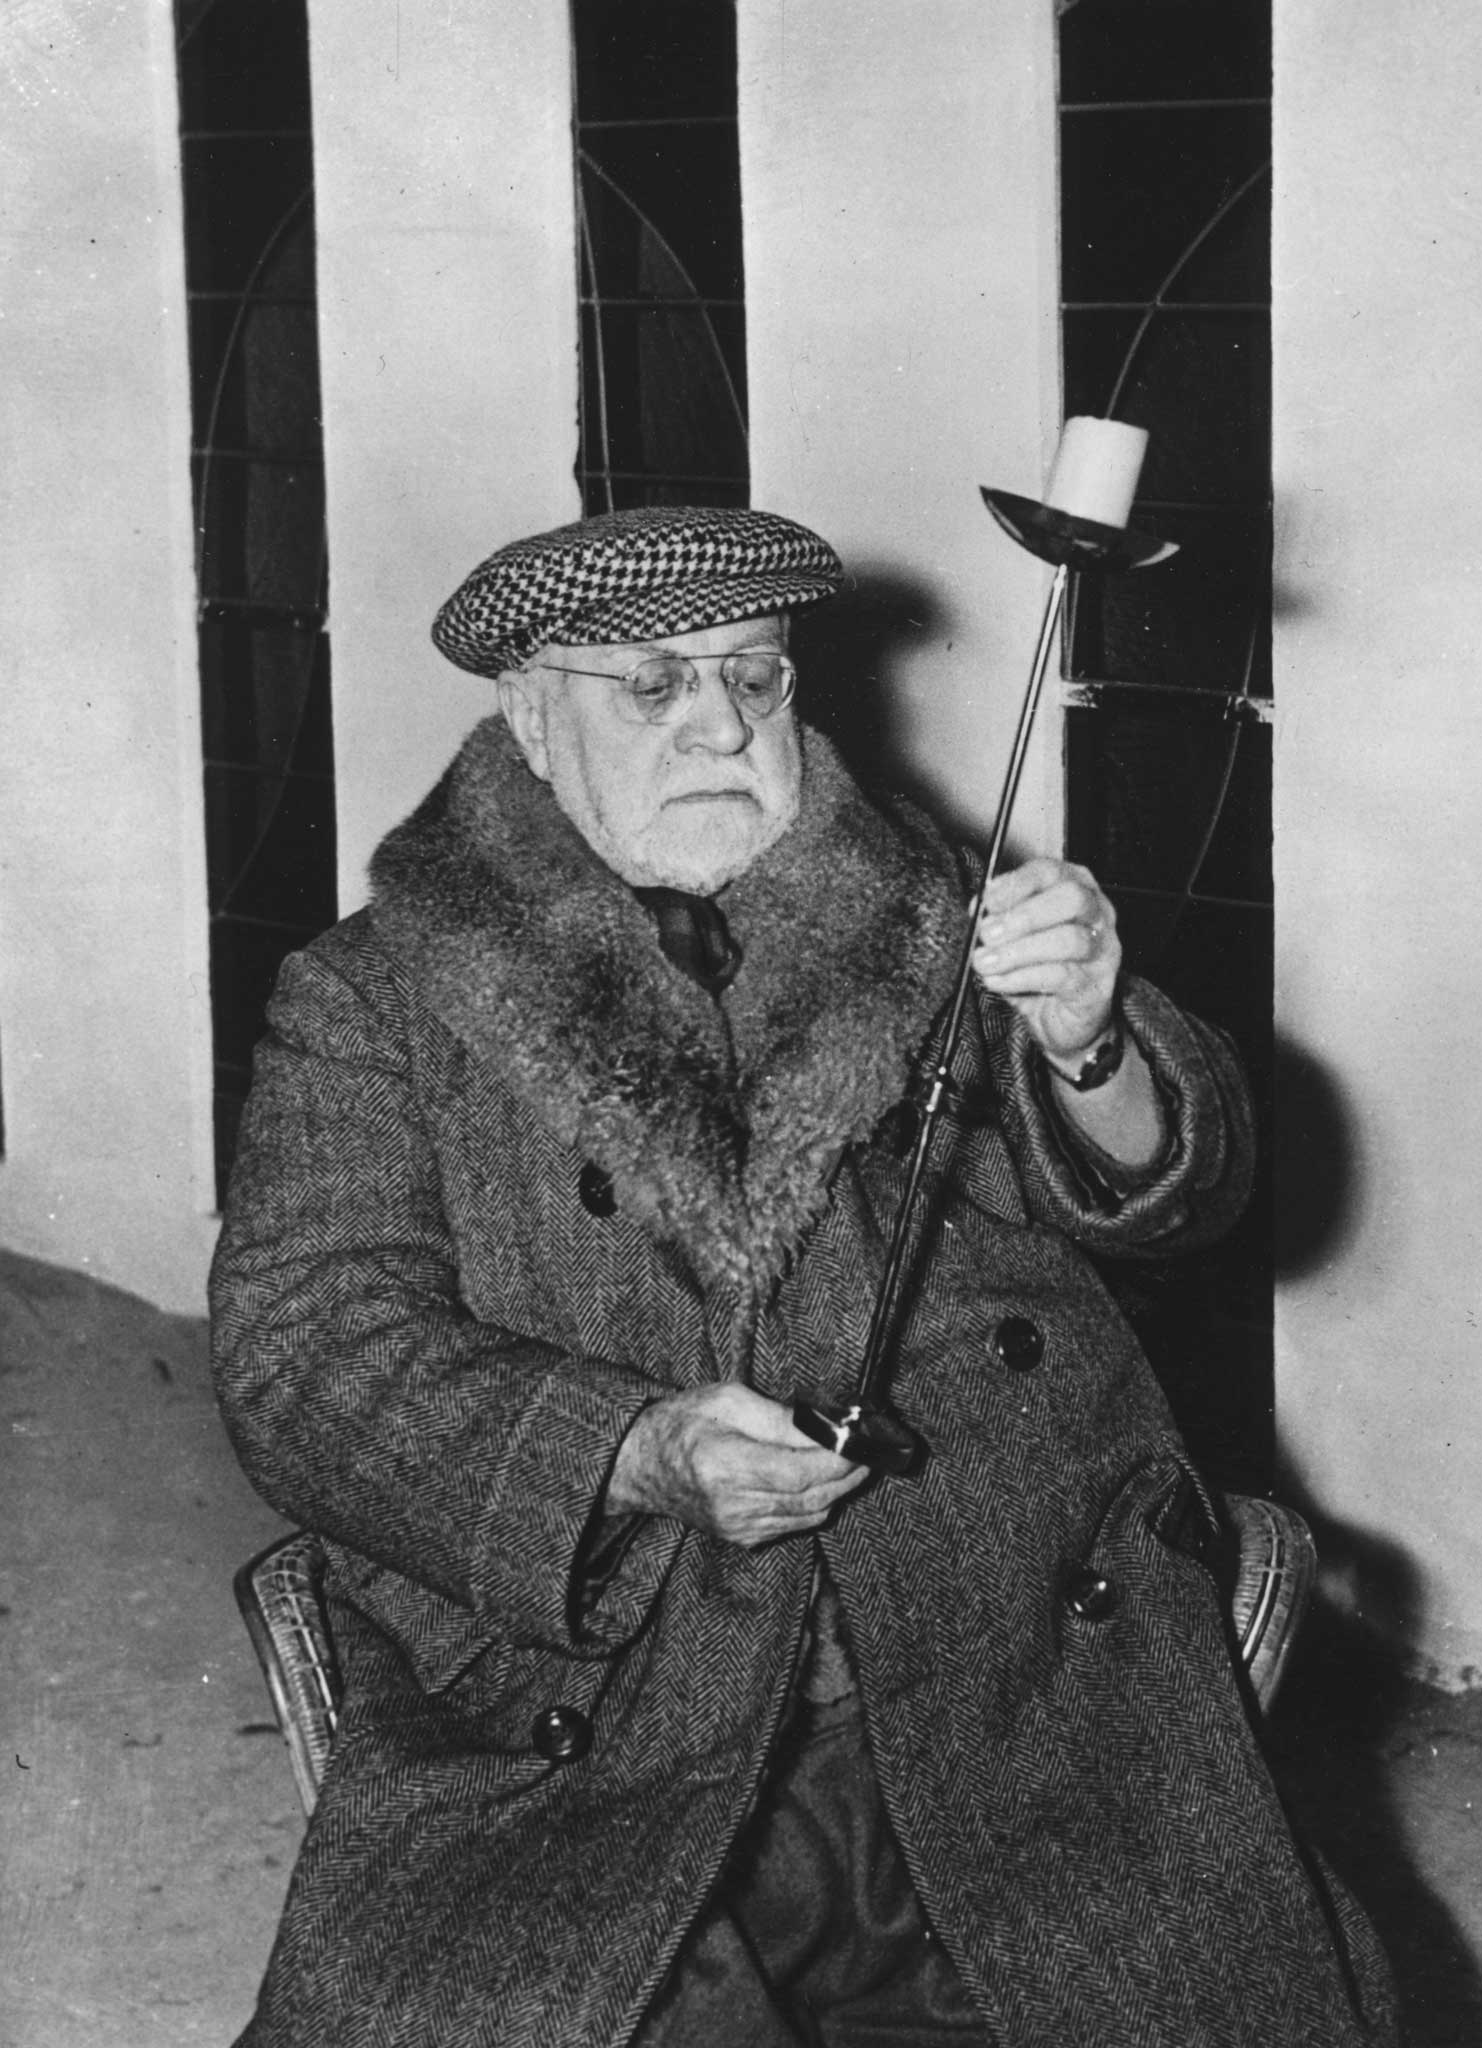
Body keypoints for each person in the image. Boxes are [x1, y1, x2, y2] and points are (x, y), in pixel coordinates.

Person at [211, 505, 1398, 2047]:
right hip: (610, 1688)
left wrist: (1087, 1036)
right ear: (525, 714)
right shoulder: (373, 995)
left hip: (1001, 1647)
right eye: (651, 687)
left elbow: (1185, 1205)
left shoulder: (936, 921)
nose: (718, 725)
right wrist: (629, 1452)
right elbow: (302, 1351)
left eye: (755, 679)